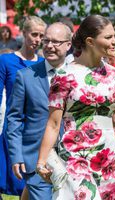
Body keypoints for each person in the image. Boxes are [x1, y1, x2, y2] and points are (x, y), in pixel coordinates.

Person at [35, 14, 115, 200]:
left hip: (107, 158)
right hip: (75, 158)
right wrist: (42, 161)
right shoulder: (64, 76)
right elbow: (53, 124)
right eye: (108, 37)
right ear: (90, 41)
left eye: (114, 36)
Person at [6, 22, 72, 200]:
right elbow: (14, 118)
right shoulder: (26, 76)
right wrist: (16, 155)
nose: (50, 46)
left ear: (69, 44)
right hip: (36, 159)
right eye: (47, 40)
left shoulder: (79, 75)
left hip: (74, 158)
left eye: (56, 42)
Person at [0, 16, 46, 196]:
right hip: (14, 128)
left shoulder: (43, 63)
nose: (38, 40)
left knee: (32, 184)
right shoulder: (6, 61)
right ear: (23, 33)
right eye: (34, 34)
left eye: (41, 36)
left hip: (36, 131)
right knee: (11, 181)